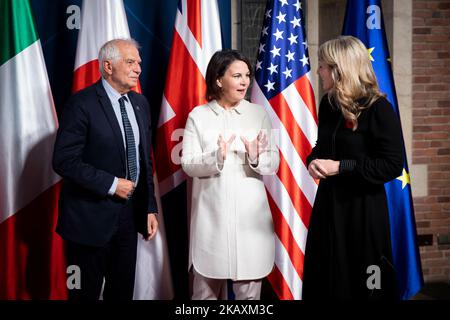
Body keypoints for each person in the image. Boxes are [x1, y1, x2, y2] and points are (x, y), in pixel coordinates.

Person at [53, 38, 158, 300]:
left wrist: (149, 207)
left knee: (121, 293)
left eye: (139, 63)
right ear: (108, 66)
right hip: (88, 220)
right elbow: (64, 160)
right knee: (84, 294)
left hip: (129, 217)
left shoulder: (140, 104)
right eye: (131, 62)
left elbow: (145, 161)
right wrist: (112, 184)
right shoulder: (81, 104)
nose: (138, 69)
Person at [302, 36, 403, 300]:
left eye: (322, 65)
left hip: (364, 211)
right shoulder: (329, 104)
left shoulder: (377, 108)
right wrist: (312, 161)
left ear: (339, 68)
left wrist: (341, 166)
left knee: (368, 285)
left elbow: (391, 164)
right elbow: (321, 148)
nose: (318, 71)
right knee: (326, 279)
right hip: (329, 207)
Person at [181, 49, 280, 300]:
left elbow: (273, 163)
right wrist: (217, 157)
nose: (245, 81)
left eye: (247, 75)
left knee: (249, 298)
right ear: (218, 79)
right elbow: (188, 164)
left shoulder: (257, 114)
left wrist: (256, 157)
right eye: (237, 75)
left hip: (251, 223)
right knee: (203, 297)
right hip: (210, 222)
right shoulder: (198, 116)